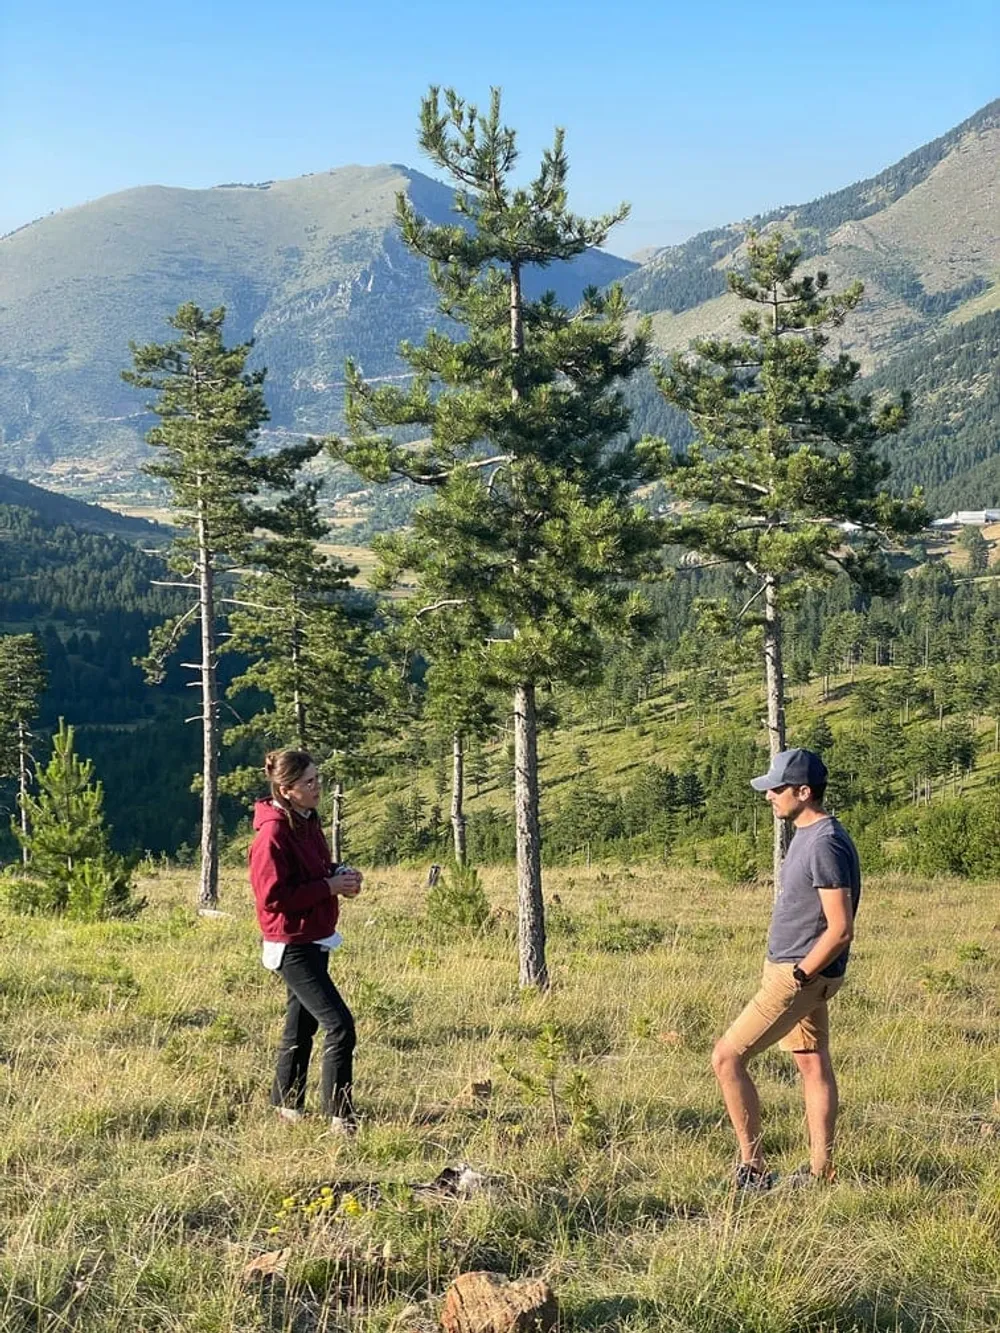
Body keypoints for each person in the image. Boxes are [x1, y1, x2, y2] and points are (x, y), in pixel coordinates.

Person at [711, 748, 860, 1190]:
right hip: (800, 971)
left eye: (777, 788)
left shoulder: (825, 842)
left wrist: (800, 974)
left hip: (799, 976)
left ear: (804, 791)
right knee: (812, 1062)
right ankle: (821, 1171)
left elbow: (840, 928)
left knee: (727, 1057)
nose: (769, 796)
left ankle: (753, 1169)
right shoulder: (809, 834)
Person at [249, 749, 363, 1133]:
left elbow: (312, 871)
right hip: (290, 943)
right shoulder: (273, 834)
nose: (317, 787)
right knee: (340, 1025)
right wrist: (329, 886)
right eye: (309, 782)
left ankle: (287, 1109)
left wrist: (339, 875)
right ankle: (341, 1118)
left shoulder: (306, 820)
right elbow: (272, 897)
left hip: (314, 937)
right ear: (286, 790)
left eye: (318, 778)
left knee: (300, 1027)